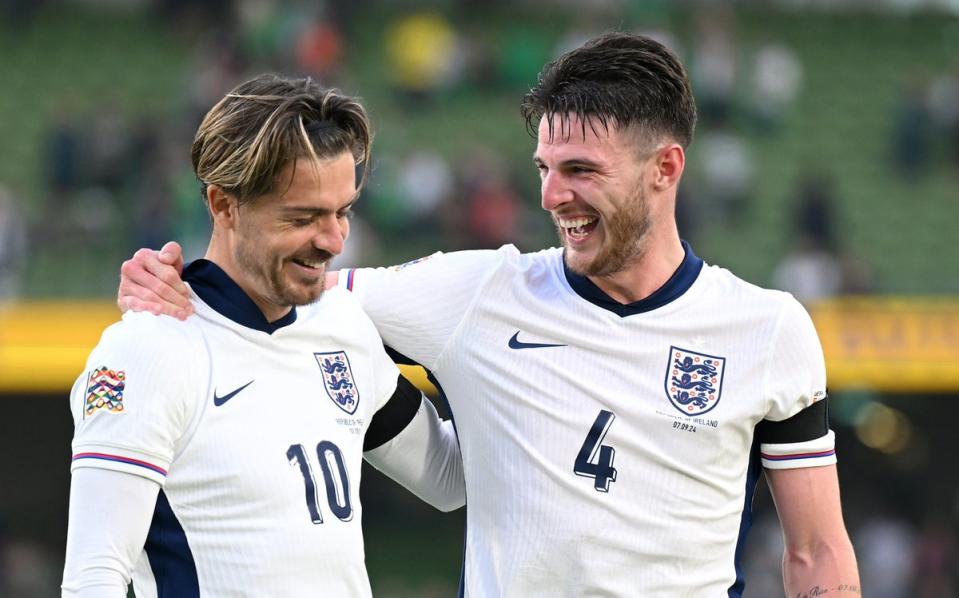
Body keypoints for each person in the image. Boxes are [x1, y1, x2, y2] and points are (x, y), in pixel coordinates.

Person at [117, 33, 860, 597]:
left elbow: (815, 554)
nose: (551, 196)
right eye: (544, 168)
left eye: (580, 171)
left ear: (664, 169)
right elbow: (278, 284)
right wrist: (174, 278)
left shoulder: (766, 330)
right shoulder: (476, 294)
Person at [62, 74, 464, 598]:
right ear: (223, 205)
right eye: (303, 217)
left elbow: (448, 478)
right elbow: (93, 578)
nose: (334, 239)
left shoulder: (341, 325)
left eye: (343, 212)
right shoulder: (148, 351)